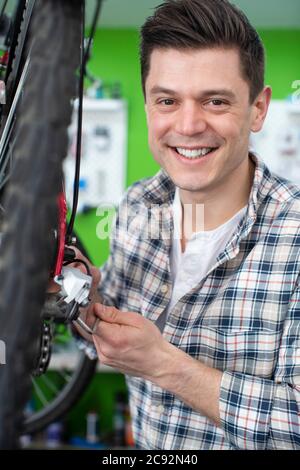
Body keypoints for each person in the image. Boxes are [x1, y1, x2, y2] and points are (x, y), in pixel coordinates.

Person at [75, 0, 300, 450]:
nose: (189, 125)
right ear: (147, 104)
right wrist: (85, 299)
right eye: (167, 101)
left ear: (258, 109)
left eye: (215, 101)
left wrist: (165, 364)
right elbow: (105, 343)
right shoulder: (139, 205)